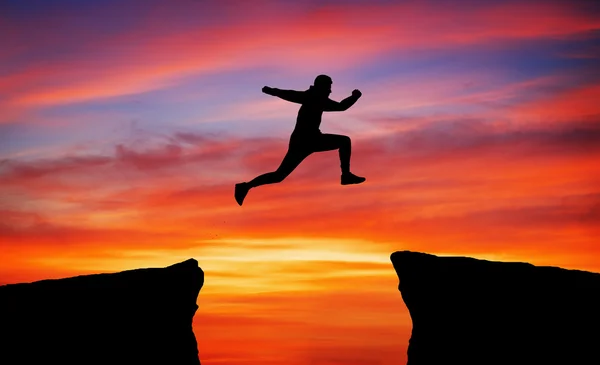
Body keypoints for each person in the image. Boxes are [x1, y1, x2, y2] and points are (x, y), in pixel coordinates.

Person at [235, 74, 366, 206]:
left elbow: (340, 106)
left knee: (279, 175)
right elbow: (290, 94)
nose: (330, 90)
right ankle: (346, 175)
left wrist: (354, 97)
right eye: (329, 86)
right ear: (322, 86)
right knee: (279, 175)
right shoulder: (312, 97)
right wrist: (272, 91)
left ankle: (245, 186)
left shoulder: (318, 99)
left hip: (312, 139)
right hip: (304, 141)